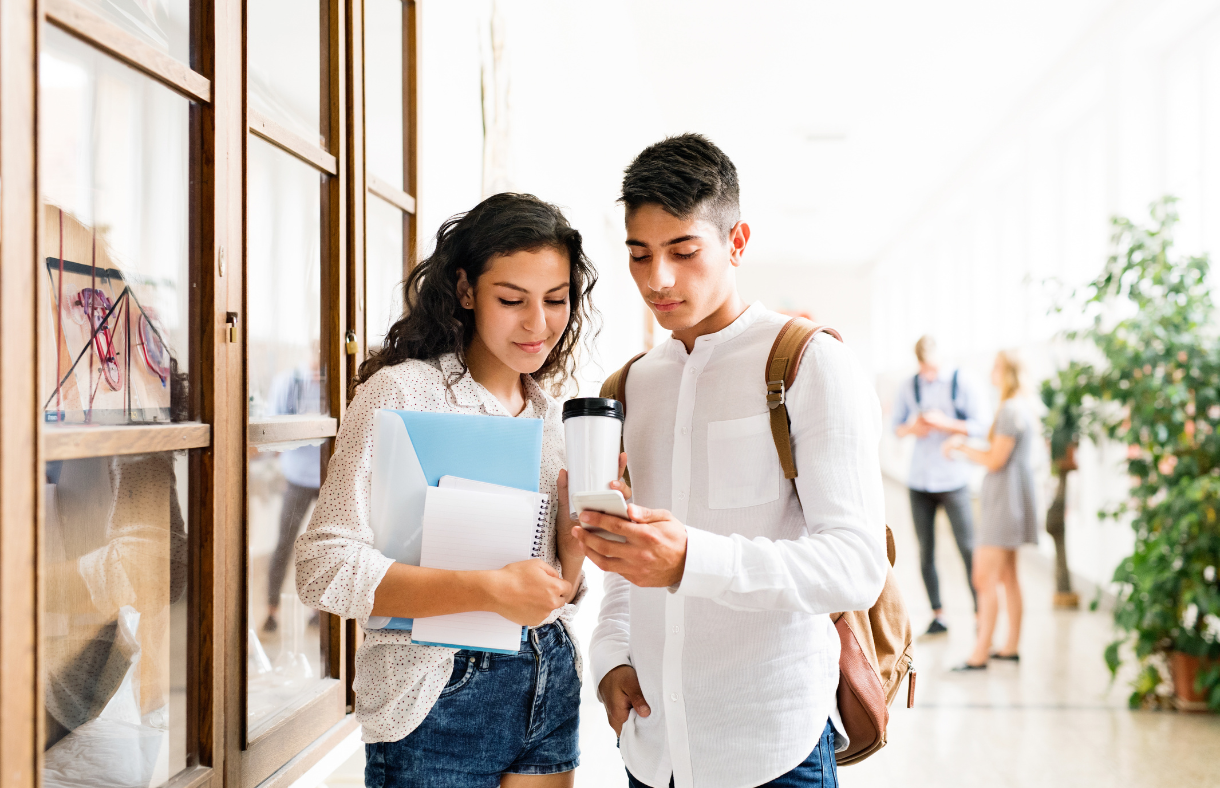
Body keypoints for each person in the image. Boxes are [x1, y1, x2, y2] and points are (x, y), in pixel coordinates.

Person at [574, 134, 888, 788]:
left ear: (736, 242)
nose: (657, 279)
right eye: (640, 254)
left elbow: (856, 564)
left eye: (683, 251)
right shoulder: (629, 386)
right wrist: (610, 657)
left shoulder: (810, 364)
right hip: (653, 749)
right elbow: (627, 555)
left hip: (772, 746)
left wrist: (691, 559)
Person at [295, 193, 597, 787]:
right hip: (436, 694)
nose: (537, 324)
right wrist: (485, 590)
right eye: (512, 300)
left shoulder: (554, 419)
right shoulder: (402, 394)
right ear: (465, 291)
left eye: (556, 301)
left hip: (548, 674)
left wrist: (581, 537)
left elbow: (556, 590)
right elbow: (323, 567)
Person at [943, 349, 1037, 670]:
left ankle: (980, 654)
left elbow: (995, 460)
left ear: (1009, 372)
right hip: (1011, 502)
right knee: (1009, 576)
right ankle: (1009, 647)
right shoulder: (1019, 408)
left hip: (1003, 504)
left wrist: (960, 447)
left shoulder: (1010, 410)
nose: (991, 373)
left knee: (983, 577)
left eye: (997, 367)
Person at [891, 334, 989, 635]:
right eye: (923, 367)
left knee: (968, 548)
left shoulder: (963, 382)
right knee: (926, 551)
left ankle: (980, 613)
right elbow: (897, 428)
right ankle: (938, 615)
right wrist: (913, 428)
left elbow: (981, 426)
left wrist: (946, 423)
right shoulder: (910, 385)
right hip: (920, 480)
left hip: (954, 478)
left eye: (931, 367)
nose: (927, 374)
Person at [263, 354, 322, 633]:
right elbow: (275, 425)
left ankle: (318, 611)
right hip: (296, 476)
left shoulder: (334, 380)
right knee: (284, 543)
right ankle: (271, 610)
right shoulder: (288, 381)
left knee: (324, 547)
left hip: (327, 477)